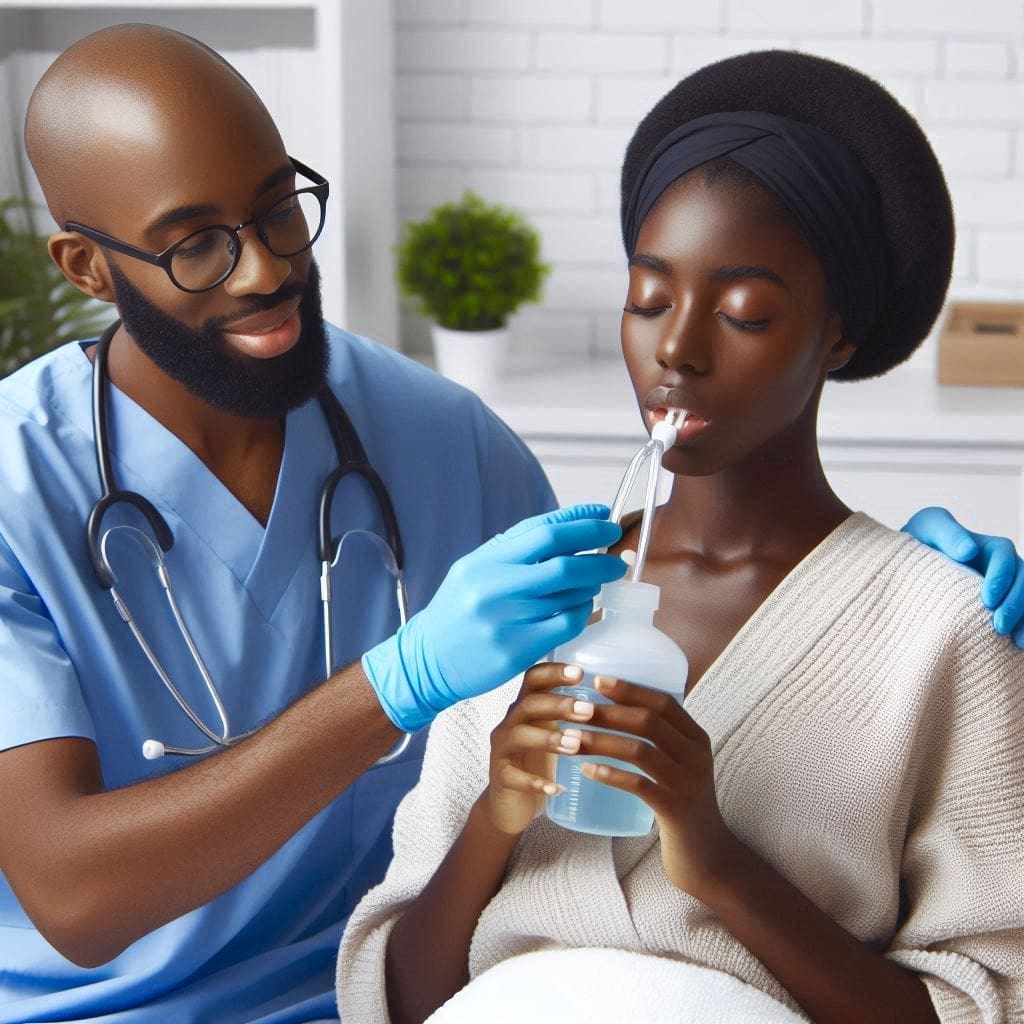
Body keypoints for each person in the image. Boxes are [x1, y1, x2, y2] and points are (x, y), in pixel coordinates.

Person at [338, 51, 1024, 1024]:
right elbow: (396, 1001)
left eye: (744, 312)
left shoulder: (943, 630)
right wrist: (497, 810)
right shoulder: (526, 600)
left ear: (835, 335)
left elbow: (980, 1010)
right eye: (648, 299)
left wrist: (718, 862)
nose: (677, 349)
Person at [0, 25, 633, 1024]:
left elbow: (631, 671)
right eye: (196, 243)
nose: (264, 270)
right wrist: (395, 684)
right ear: (86, 266)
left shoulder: (446, 438)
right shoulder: (13, 486)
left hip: (393, 992)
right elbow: (75, 898)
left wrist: (924, 585)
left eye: (276, 209)